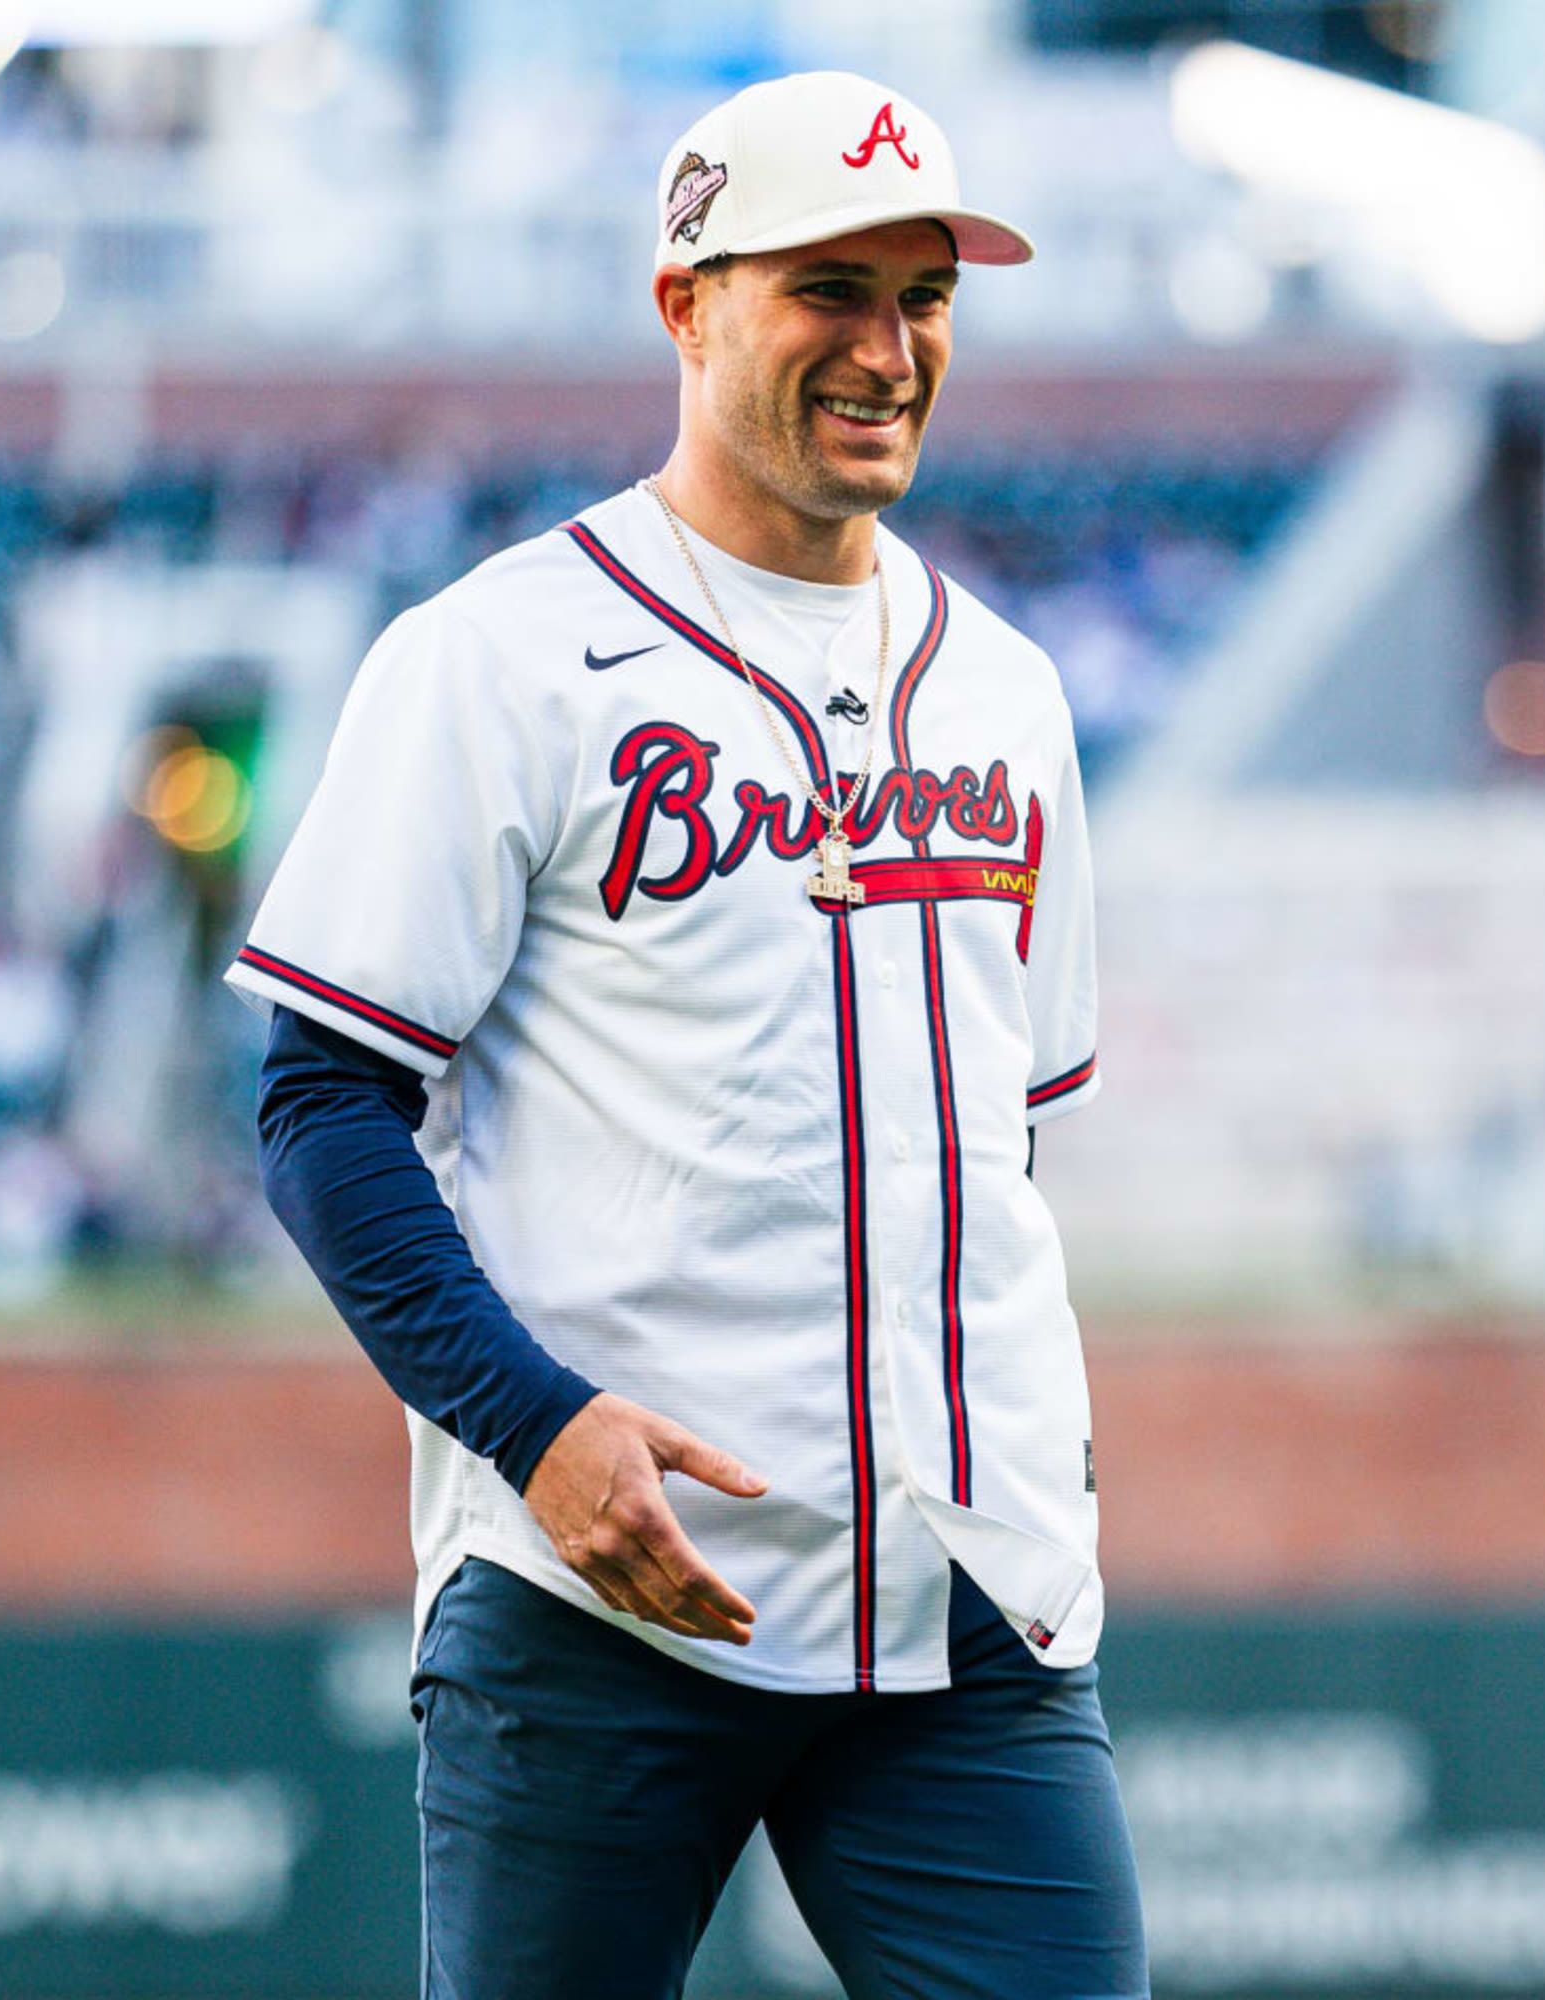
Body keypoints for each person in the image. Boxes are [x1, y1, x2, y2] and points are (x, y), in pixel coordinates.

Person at [230, 71, 1137, 2000]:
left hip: (966, 1604)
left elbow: (1009, 1141)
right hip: (598, 1594)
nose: (889, 349)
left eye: (926, 295)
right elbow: (321, 1107)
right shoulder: (498, 655)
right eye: (830, 288)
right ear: (689, 302)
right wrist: (532, 1430)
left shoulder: (1011, 690)